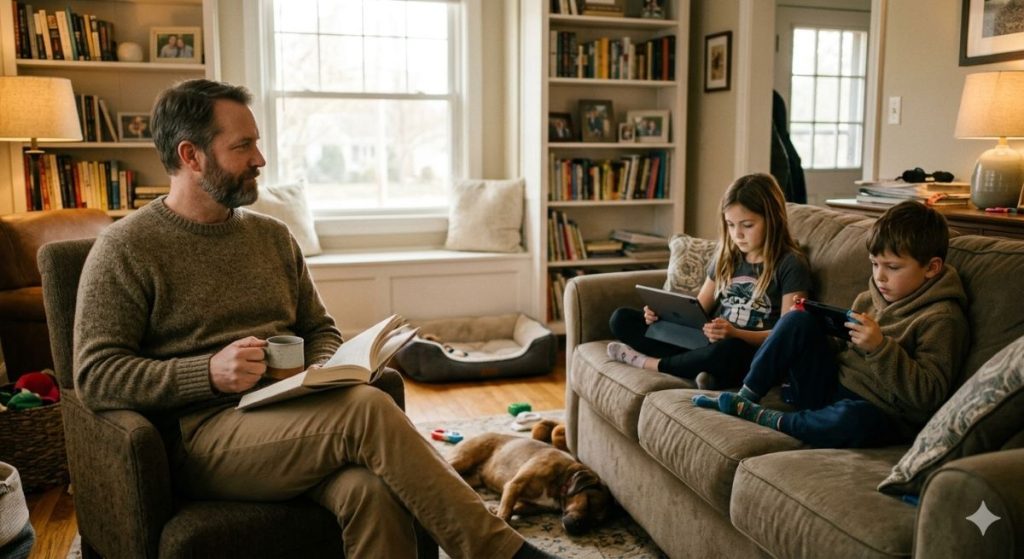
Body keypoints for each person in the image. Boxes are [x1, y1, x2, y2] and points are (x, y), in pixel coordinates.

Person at [73, 79, 558, 559]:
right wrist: (209, 372)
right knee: (366, 409)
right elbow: (95, 376)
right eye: (243, 145)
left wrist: (322, 371)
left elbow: (320, 328)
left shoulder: (271, 237)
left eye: (257, 142)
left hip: (294, 416)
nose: (260, 159)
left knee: (372, 490)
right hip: (200, 439)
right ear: (191, 156)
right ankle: (501, 554)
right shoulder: (126, 249)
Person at [693, 201, 969, 448]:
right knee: (797, 319)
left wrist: (880, 348)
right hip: (830, 389)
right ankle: (745, 397)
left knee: (853, 420)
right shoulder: (869, 297)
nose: (880, 277)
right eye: (874, 264)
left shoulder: (941, 318)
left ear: (932, 268)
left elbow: (928, 396)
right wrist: (823, 329)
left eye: (893, 268)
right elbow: (839, 347)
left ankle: (770, 418)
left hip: (880, 412)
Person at [607, 173, 812, 388]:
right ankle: (701, 370)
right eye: (731, 225)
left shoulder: (791, 264)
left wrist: (735, 333)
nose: (737, 234)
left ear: (772, 219)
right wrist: (661, 315)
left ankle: (652, 364)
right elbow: (698, 311)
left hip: (748, 351)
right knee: (621, 319)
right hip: (708, 343)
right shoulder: (727, 257)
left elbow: (787, 334)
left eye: (747, 225)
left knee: (728, 350)